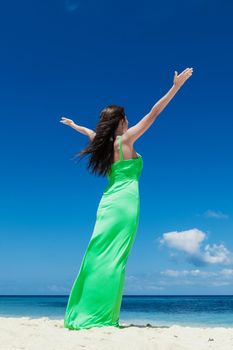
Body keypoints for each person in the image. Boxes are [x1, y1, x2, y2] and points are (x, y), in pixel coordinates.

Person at [60, 67, 193, 330]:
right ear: (120, 122)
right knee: (115, 257)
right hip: (126, 203)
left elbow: (89, 132)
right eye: (125, 118)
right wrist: (176, 87)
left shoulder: (102, 143)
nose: (129, 121)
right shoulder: (126, 139)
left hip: (107, 203)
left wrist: (75, 125)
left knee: (98, 253)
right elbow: (154, 113)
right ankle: (102, 317)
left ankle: (86, 311)